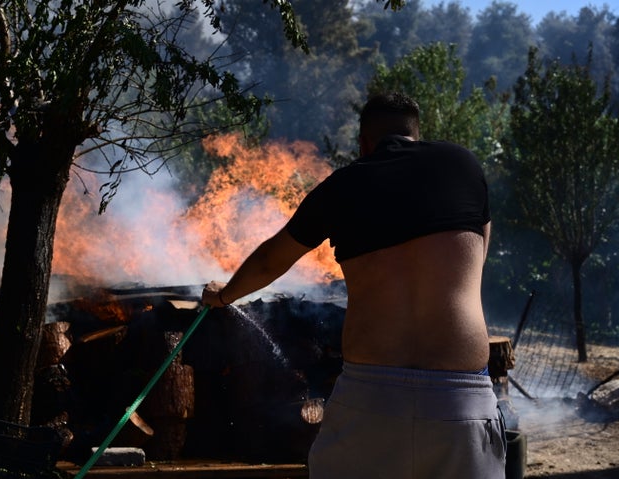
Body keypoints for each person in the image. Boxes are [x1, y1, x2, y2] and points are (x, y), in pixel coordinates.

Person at [202, 92, 506, 478]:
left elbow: (268, 260)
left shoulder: (342, 186)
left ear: (364, 143)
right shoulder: (463, 165)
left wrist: (224, 295)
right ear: (417, 132)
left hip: (371, 398)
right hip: (460, 404)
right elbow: (479, 249)